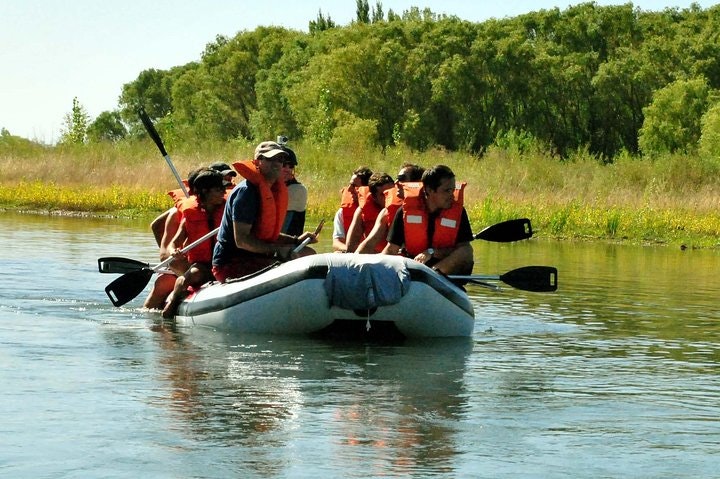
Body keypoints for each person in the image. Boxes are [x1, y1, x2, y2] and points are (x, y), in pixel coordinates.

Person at [212, 141, 318, 283]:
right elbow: (242, 240)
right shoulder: (246, 193)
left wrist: (295, 240)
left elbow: (263, 233)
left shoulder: (271, 190)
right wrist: (276, 251)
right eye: (270, 159)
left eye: (280, 159)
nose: (277, 163)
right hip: (231, 262)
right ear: (257, 162)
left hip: (254, 257)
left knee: (308, 254)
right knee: (288, 269)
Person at [381, 165, 474, 276]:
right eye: (447, 191)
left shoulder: (458, 212)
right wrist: (376, 271)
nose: (452, 196)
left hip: (443, 272)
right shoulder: (404, 212)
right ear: (429, 190)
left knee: (466, 251)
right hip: (414, 269)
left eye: (453, 190)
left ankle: (431, 276)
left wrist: (432, 252)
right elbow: (391, 250)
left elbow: (464, 251)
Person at [161, 169, 227, 318]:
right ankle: (173, 304)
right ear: (205, 191)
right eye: (218, 189)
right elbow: (174, 243)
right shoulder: (190, 214)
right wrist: (174, 252)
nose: (223, 192)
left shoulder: (228, 209)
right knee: (192, 275)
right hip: (202, 265)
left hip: (226, 261)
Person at [144, 167, 205, 309]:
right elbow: (156, 226)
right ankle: (161, 313)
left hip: (201, 264)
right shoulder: (181, 212)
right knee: (164, 283)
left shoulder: (218, 207)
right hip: (180, 266)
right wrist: (175, 253)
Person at [355, 163, 425, 254]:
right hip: (404, 262)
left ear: (417, 183)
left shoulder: (436, 207)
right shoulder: (389, 212)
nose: (396, 182)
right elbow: (369, 245)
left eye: (402, 179)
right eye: (397, 178)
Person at [344, 172, 395, 253]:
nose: (389, 196)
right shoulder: (362, 211)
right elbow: (351, 246)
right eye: (383, 194)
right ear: (374, 197)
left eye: (391, 192)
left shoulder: (402, 209)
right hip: (373, 255)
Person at [332, 166, 372, 252]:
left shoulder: (382, 211)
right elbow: (337, 243)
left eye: (354, 186)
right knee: (337, 253)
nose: (349, 189)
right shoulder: (342, 212)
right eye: (349, 185)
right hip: (352, 254)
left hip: (375, 255)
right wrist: (355, 251)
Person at [280, 146, 307, 237]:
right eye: (283, 165)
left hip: (288, 244)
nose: (287, 170)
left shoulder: (298, 190)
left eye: (291, 166)